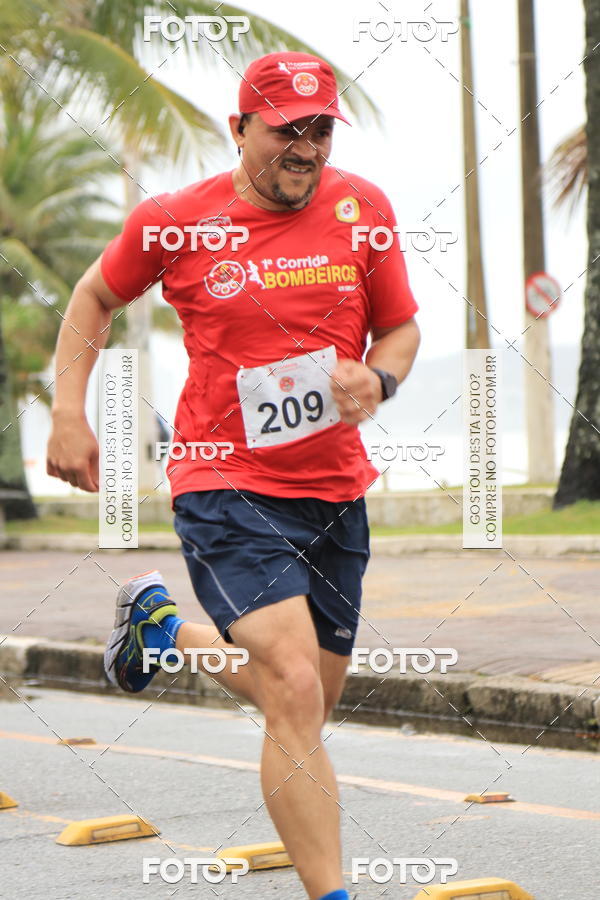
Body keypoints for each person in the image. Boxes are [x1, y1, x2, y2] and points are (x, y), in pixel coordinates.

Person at [46, 51, 420, 900]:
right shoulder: (177, 220)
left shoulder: (365, 210)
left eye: (320, 128)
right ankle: (333, 895)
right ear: (240, 128)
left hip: (334, 491)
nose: (306, 146)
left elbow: (399, 331)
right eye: (287, 129)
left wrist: (381, 379)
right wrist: (69, 409)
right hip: (223, 482)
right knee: (289, 682)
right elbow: (92, 299)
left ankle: (161, 629)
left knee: (302, 706)